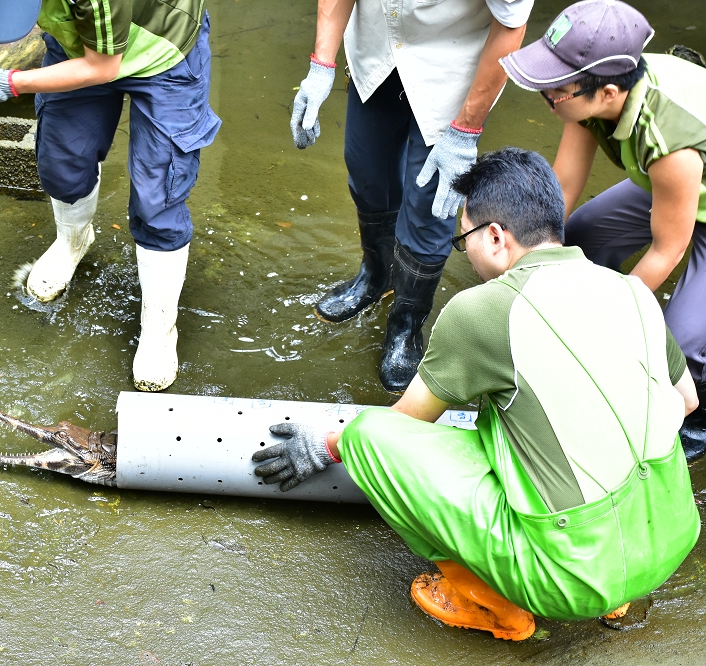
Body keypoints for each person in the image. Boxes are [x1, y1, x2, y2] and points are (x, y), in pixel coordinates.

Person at [253, 148, 701, 640]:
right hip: (671, 533)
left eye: (463, 241)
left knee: (369, 437)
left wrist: (324, 445)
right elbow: (684, 402)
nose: (464, 254)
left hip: (574, 574)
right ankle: (622, 592)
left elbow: (405, 421)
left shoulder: (485, 310)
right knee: (510, 426)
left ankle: (489, 603)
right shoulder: (630, 291)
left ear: (494, 236)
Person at [0, 0, 220, 392]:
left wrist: (11, 82)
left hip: (162, 52)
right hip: (79, 40)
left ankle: (159, 329)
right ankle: (73, 242)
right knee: (62, 162)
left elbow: (102, 67)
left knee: (158, 197)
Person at [499, 0, 706, 462]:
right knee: (581, 236)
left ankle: (699, 417)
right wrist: (523, 262)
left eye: (555, 89)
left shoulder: (667, 138)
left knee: (680, 339)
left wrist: (607, 320)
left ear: (609, 91)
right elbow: (564, 185)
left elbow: (667, 250)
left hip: (685, 179)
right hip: (664, 185)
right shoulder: (587, 99)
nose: (547, 96)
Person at [291, 0, 532, 393]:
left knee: (429, 201)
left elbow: (510, 25)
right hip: (378, 47)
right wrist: (321, 66)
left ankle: (406, 322)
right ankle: (376, 274)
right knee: (367, 166)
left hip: (451, 68)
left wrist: (466, 130)